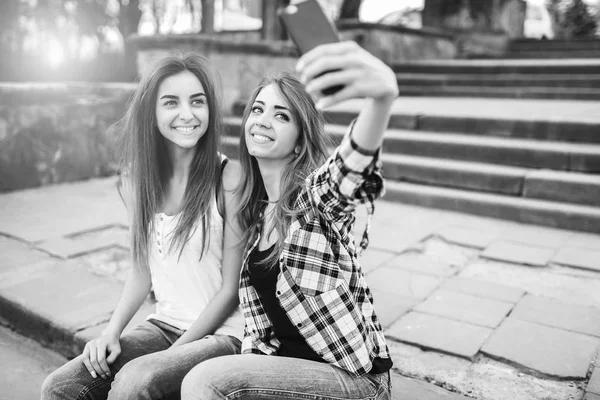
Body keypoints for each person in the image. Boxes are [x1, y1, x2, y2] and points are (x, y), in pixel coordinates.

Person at [181, 40, 398, 400]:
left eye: (281, 115)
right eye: (258, 110)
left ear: (299, 141)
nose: (263, 121)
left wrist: (382, 99)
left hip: (352, 381)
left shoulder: (315, 202)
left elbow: (351, 167)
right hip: (290, 373)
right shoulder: (259, 213)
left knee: (206, 381)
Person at [41, 53, 245, 400]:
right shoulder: (138, 179)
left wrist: (172, 355)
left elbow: (230, 290)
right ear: (152, 112)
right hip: (163, 324)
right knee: (61, 387)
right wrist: (111, 331)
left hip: (223, 335)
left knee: (135, 382)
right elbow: (140, 270)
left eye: (198, 101)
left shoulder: (230, 177)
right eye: (171, 102)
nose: (187, 114)